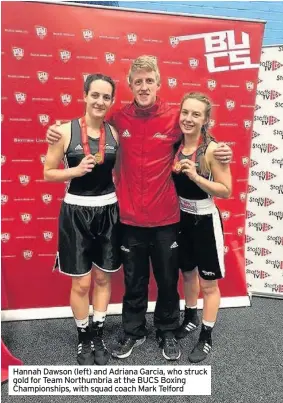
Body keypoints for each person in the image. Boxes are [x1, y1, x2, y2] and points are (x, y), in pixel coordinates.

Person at [46, 55, 232, 361]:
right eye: (138, 82)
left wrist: (219, 146)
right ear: (131, 85)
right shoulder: (119, 118)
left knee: (168, 279)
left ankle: (166, 330)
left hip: (166, 217)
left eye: (149, 81)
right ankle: (133, 330)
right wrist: (55, 131)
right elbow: (88, 125)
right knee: (134, 280)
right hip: (129, 218)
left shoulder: (174, 116)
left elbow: (196, 134)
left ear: (158, 84)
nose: (144, 87)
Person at [43, 74, 121, 366]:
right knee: (81, 284)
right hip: (76, 211)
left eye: (106, 97)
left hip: (109, 210)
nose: (100, 101)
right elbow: (48, 172)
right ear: (85, 95)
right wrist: (73, 172)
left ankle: (98, 332)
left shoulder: (114, 132)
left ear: (111, 101)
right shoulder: (64, 131)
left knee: (102, 277)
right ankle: (83, 335)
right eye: (95, 95)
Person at [172, 92, 232, 363]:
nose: (188, 118)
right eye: (185, 112)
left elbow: (226, 190)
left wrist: (196, 176)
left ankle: (206, 335)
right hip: (182, 219)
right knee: (187, 274)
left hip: (206, 221)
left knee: (208, 283)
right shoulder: (175, 145)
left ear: (206, 119)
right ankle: (190, 318)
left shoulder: (212, 149)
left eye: (196, 114)